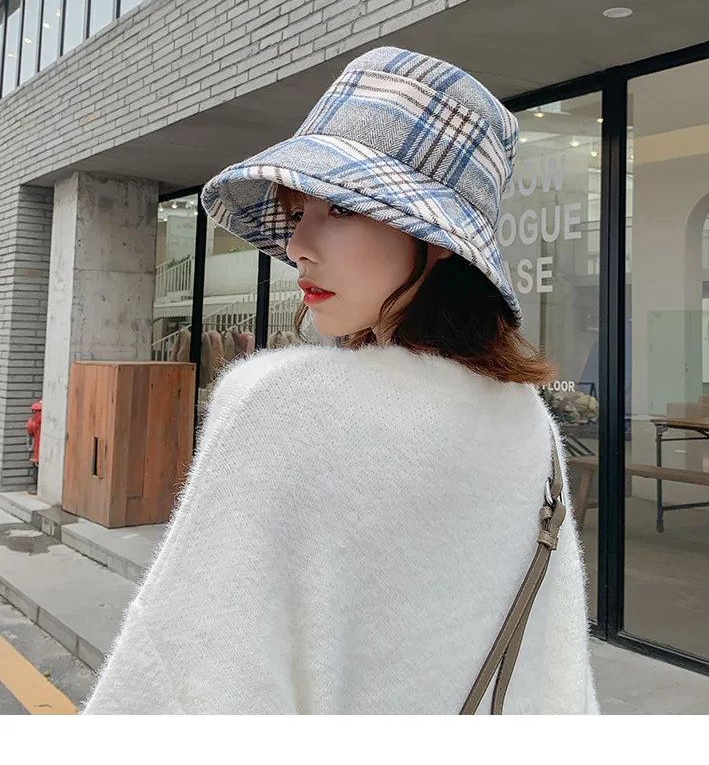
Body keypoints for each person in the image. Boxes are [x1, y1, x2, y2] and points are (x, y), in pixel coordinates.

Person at [84, 47, 599, 715]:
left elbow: (183, 681)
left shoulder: (280, 407)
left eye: (342, 210)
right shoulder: (530, 426)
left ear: (435, 240)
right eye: (301, 212)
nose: (298, 245)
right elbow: (559, 677)